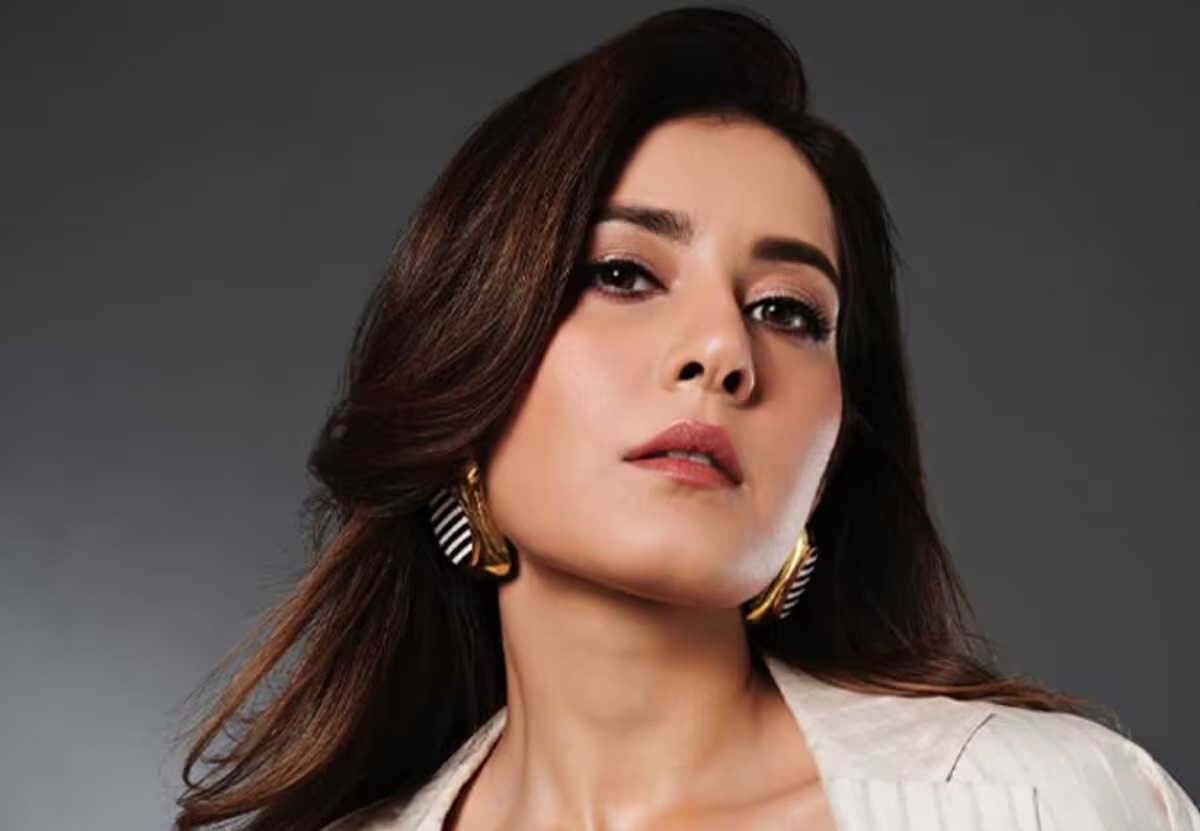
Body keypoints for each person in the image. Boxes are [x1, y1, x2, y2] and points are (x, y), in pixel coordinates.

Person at [172, 6, 1199, 831]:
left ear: (835, 451)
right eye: (624, 274)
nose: (724, 350)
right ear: (466, 365)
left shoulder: (1050, 802)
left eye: (788, 311)